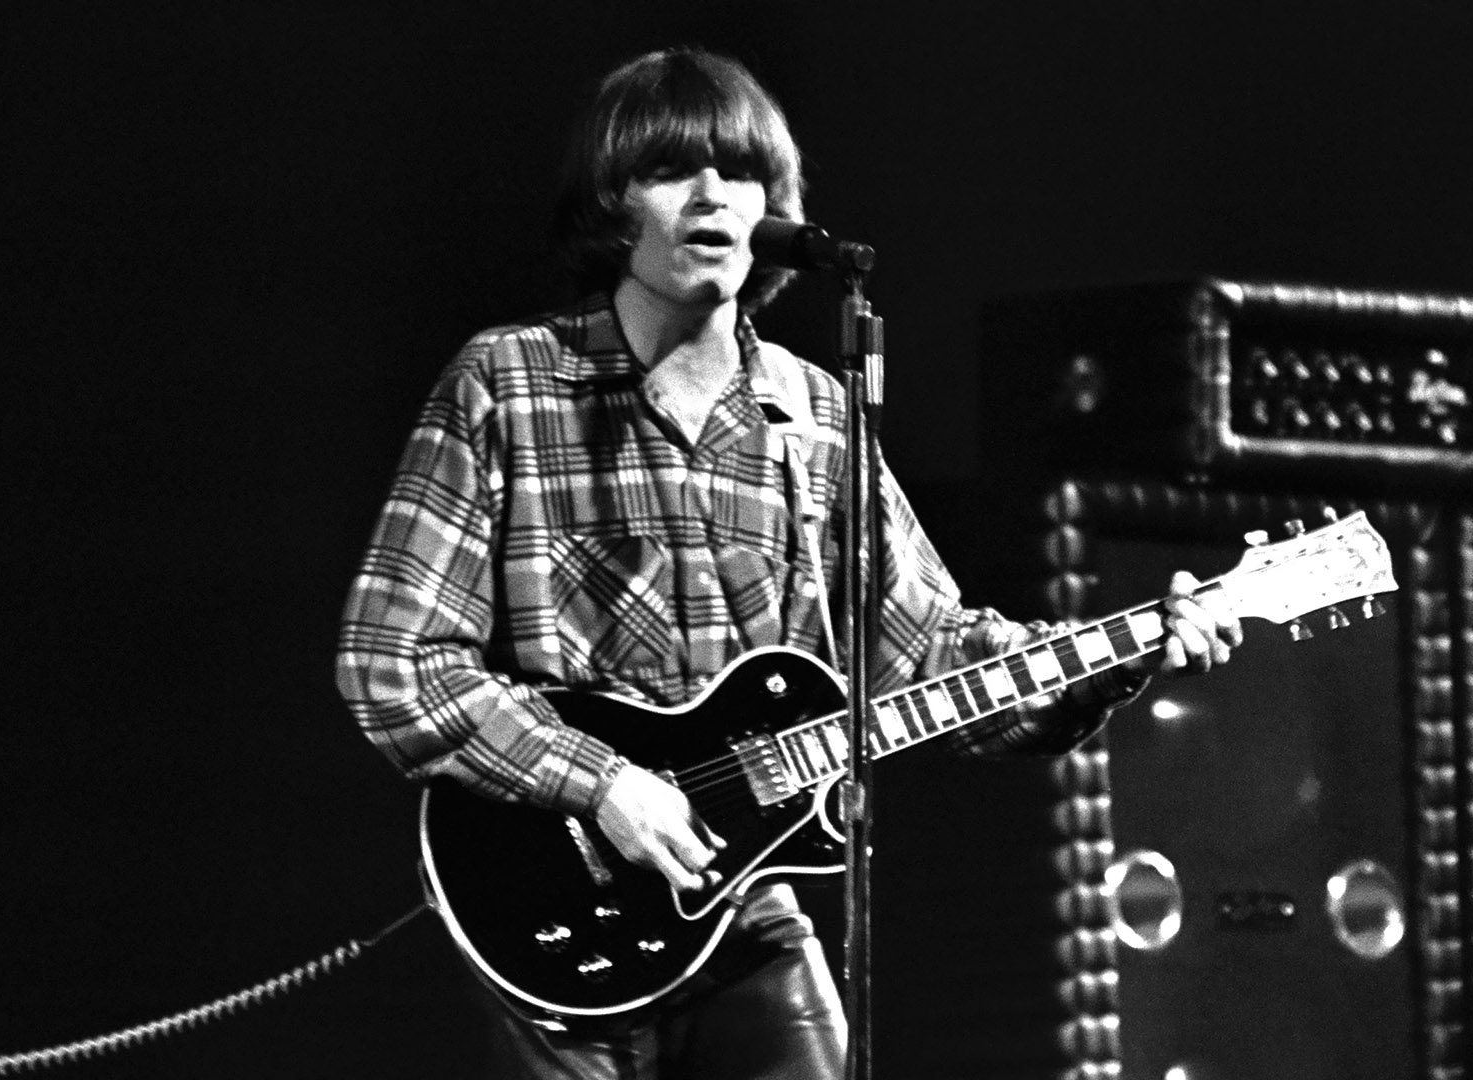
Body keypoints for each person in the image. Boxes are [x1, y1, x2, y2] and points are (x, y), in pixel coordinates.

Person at [334, 46, 1241, 1080]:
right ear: (613, 200)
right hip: (561, 922)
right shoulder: (510, 383)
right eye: (674, 170)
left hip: (749, 910)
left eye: (742, 173)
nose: (714, 195)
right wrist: (604, 784)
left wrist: (1132, 647)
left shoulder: (813, 417)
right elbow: (393, 663)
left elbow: (934, 653)